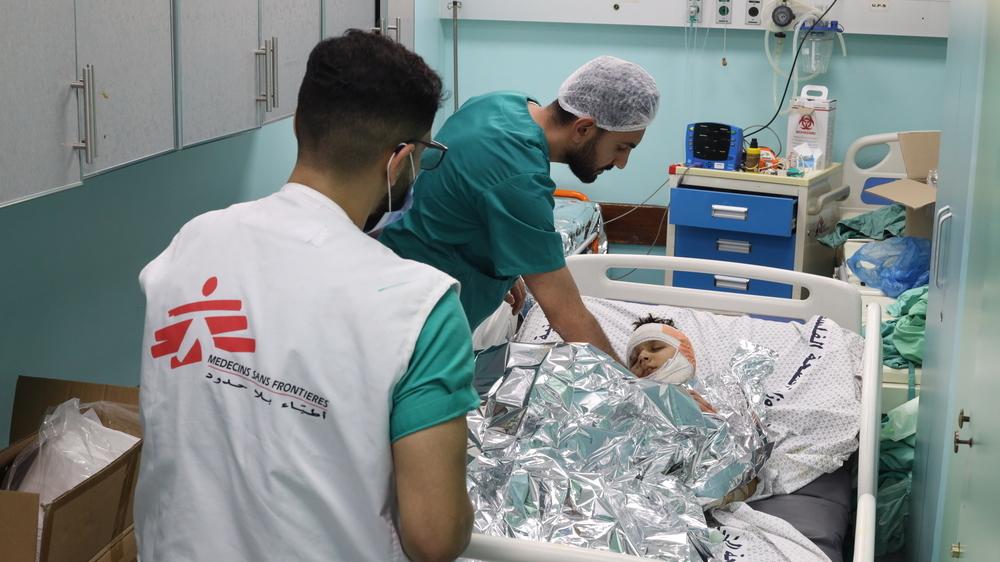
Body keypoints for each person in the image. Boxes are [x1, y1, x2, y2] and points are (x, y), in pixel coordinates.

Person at [134, 31, 477, 562]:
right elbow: (433, 538)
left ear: (299, 124)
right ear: (401, 159)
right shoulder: (417, 306)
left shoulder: (191, 243)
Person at [379, 56, 661, 363]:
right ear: (583, 128)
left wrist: (505, 266)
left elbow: (459, 196)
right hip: (412, 324)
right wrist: (635, 390)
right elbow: (568, 317)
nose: (621, 164)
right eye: (622, 147)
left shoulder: (499, 103)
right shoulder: (519, 178)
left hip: (395, 276)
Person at [626, 314, 715, 414]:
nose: (642, 357)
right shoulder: (625, 408)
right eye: (634, 360)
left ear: (685, 353)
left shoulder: (714, 399)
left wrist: (713, 421)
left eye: (656, 348)